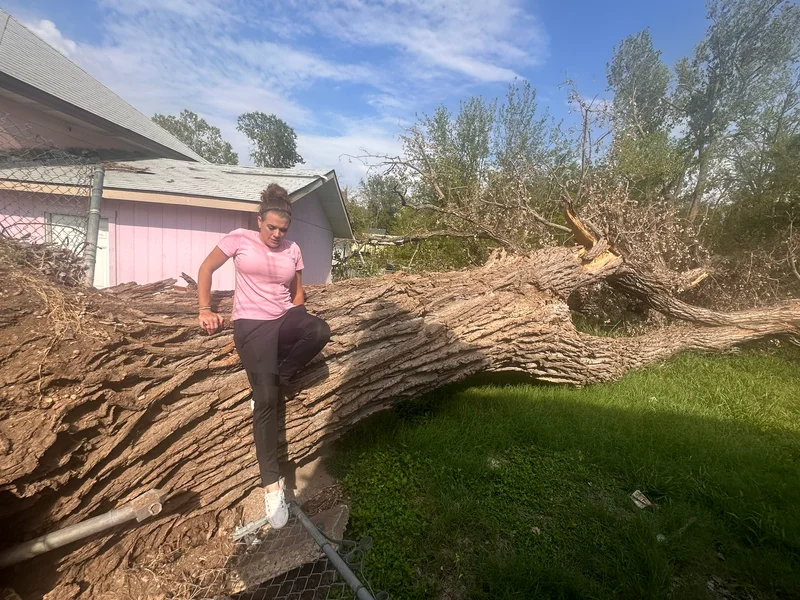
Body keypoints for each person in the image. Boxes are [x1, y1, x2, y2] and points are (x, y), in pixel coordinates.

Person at [197, 183, 331, 529]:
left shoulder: (293, 249)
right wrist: (204, 308)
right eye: (271, 227)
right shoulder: (239, 238)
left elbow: (297, 293)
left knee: (319, 330)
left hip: (283, 319)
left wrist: (299, 321)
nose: (276, 234)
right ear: (259, 221)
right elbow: (206, 269)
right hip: (251, 325)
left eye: (282, 229)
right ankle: (272, 486)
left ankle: (279, 378)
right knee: (268, 399)